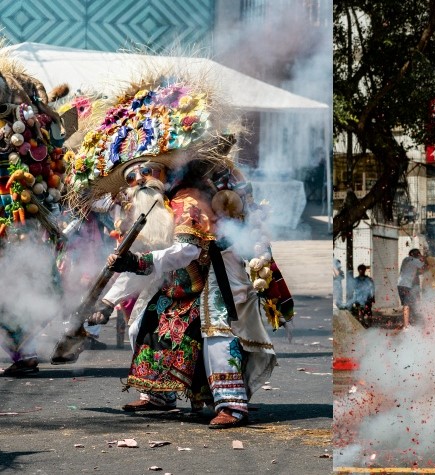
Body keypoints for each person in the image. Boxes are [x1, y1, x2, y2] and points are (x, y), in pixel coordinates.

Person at [64, 77, 282, 429]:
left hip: (214, 273)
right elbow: (139, 257)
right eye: (131, 175)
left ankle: (232, 404)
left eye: (146, 171)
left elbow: (187, 249)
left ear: (166, 169)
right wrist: (106, 302)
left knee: (217, 333)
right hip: (177, 279)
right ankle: (158, 395)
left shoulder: (188, 198)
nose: (138, 180)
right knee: (144, 324)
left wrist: (137, 262)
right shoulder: (149, 205)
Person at [0, 60, 75, 376]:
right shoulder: (33, 123)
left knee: (16, 284)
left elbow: (48, 162)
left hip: (16, 215)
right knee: (20, 284)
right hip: (26, 217)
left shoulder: (24, 124)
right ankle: (25, 353)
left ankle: (26, 352)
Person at [397, 248, 425, 328]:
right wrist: (422, 258)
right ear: (417, 255)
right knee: (407, 305)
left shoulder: (405, 259)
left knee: (406, 304)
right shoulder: (416, 261)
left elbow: (409, 270)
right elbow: (423, 269)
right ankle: (406, 326)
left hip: (400, 284)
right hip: (407, 285)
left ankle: (408, 322)